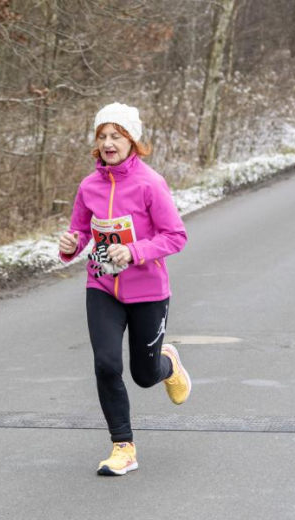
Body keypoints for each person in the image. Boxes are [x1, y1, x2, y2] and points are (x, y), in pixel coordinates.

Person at [58, 102, 191, 476]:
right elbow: (81, 232)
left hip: (148, 291)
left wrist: (134, 251)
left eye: (116, 136)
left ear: (132, 140)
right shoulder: (88, 186)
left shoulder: (150, 183)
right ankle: (123, 447)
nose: (108, 143)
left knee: (144, 375)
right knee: (106, 364)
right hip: (101, 286)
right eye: (102, 137)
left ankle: (169, 365)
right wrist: (70, 247)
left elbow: (176, 236)